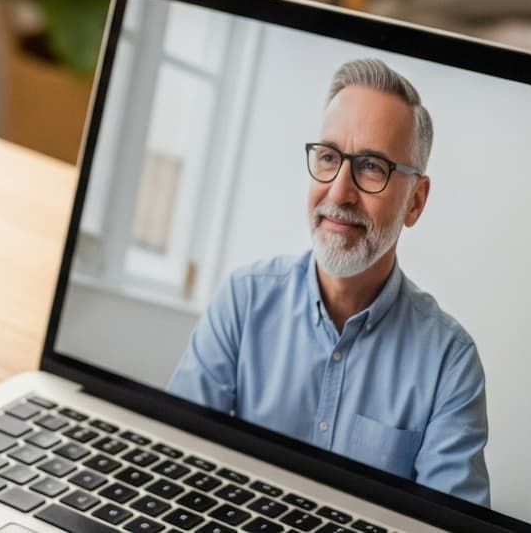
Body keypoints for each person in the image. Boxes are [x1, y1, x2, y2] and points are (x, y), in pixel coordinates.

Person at [167, 58, 491, 506]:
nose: (339, 192)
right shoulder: (244, 300)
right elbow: (175, 461)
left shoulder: (450, 364)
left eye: (372, 167)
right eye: (328, 157)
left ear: (415, 202)